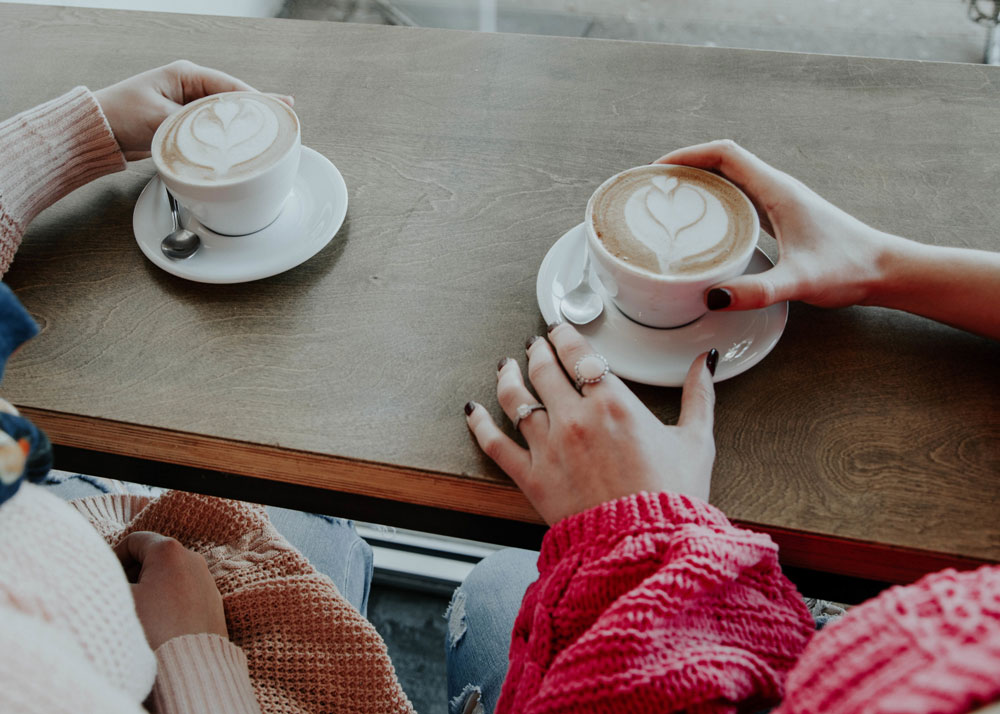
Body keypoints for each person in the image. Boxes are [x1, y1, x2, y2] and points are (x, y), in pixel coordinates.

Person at [452, 140, 1000, 714]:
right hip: (832, 652)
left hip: (759, 661)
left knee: (492, 585)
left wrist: (638, 542)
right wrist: (880, 265)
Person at [0, 62, 413, 714]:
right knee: (320, 522)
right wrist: (189, 652)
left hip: (67, 540)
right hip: (173, 662)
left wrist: (82, 131)